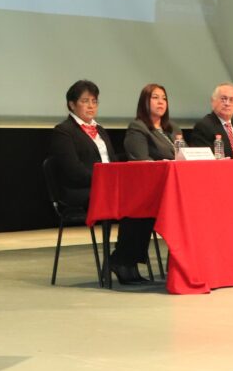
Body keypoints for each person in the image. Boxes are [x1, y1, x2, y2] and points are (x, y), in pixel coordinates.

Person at [47, 80, 155, 285]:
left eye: (94, 101)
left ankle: (124, 260)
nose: (90, 106)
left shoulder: (100, 130)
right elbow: (73, 170)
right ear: (72, 105)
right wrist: (106, 180)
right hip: (80, 190)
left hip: (107, 188)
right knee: (132, 203)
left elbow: (112, 162)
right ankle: (122, 262)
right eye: (85, 101)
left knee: (144, 202)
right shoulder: (63, 131)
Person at [188, 82, 233, 158]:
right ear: (213, 101)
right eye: (223, 99)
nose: (227, 103)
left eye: (232, 100)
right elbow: (202, 161)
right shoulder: (204, 126)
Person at [124, 83, 177, 161]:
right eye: (155, 97)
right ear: (144, 102)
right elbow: (141, 160)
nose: (161, 102)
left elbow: (187, 154)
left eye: (164, 98)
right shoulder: (138, 127)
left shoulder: (173, 127)